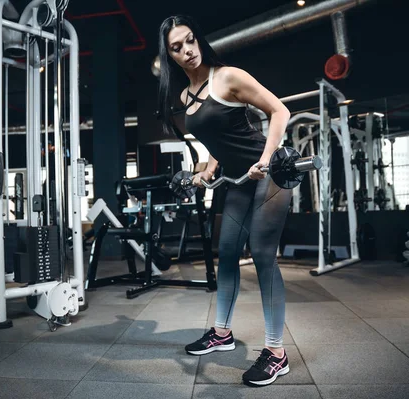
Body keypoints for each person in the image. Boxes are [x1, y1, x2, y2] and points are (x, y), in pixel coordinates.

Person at [157, 15, 293, 387]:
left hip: (271, 176)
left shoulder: (228, 76)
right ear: (169, 56)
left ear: (198, 39)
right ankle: (222, 333)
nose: (187, 51)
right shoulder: (186, 96)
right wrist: (206, 171)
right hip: (238, 181)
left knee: (263, 255)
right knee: (228, 251)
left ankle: (276, 353)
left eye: (190, 41)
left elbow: (280, 111)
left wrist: (264, 160)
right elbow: (218, 140)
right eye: (176, 47)